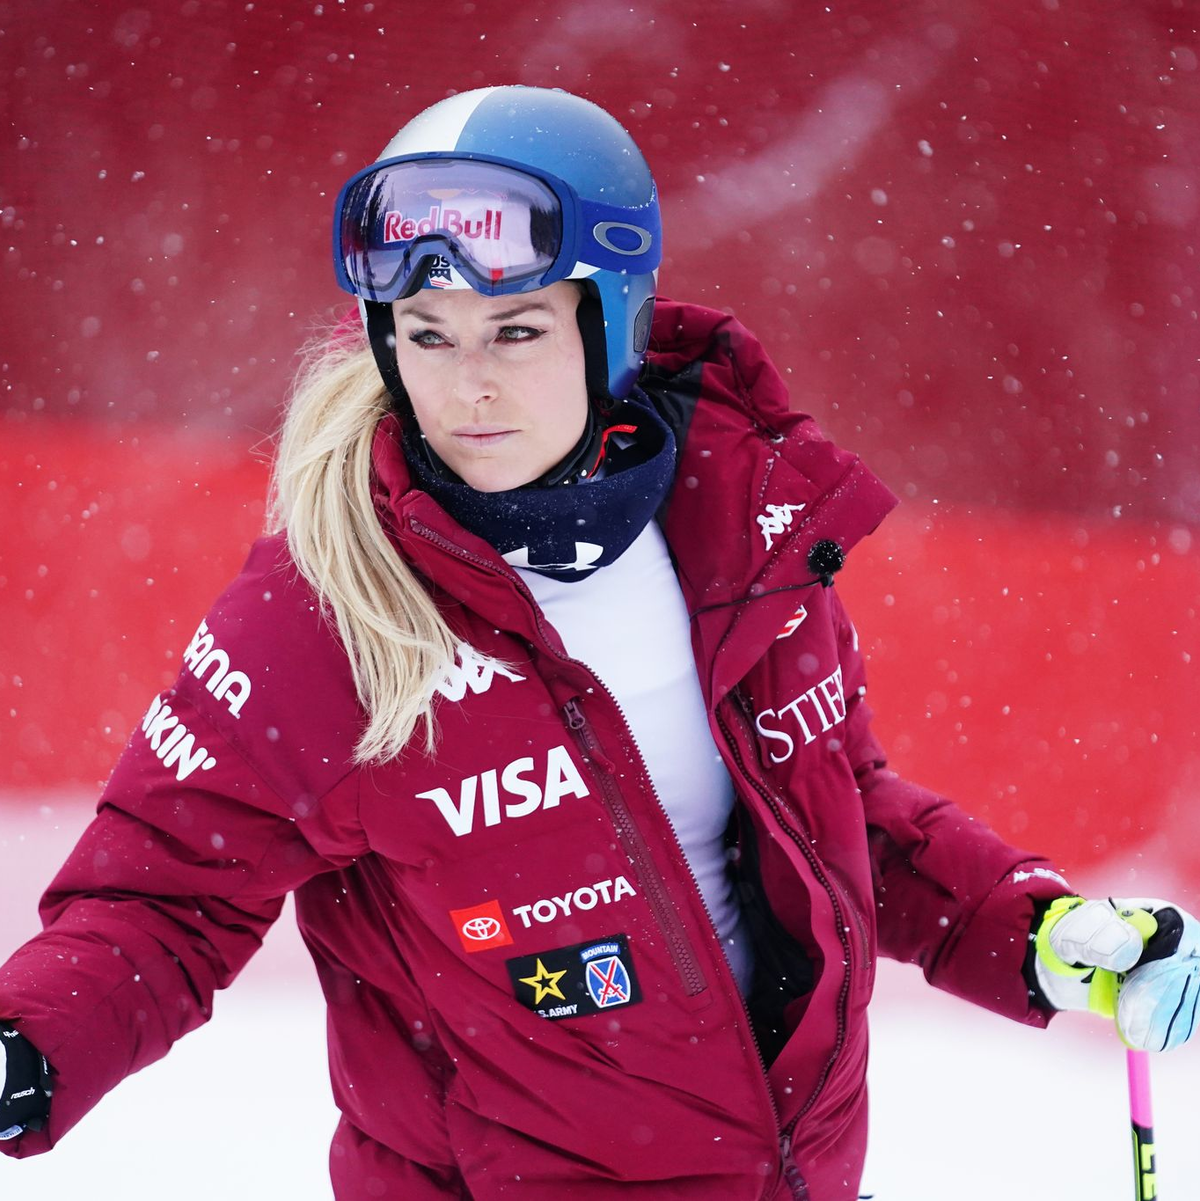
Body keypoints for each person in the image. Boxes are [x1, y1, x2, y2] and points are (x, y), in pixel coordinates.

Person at [0, 85, 1196, 1201]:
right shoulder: (330, 608)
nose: (467, 385)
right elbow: (160, 899)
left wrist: (1035, 933)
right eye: (426, 333)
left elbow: (837, 814)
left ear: (612, 320)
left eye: (516, 331)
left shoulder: (744, 535)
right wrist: (27, 1047)